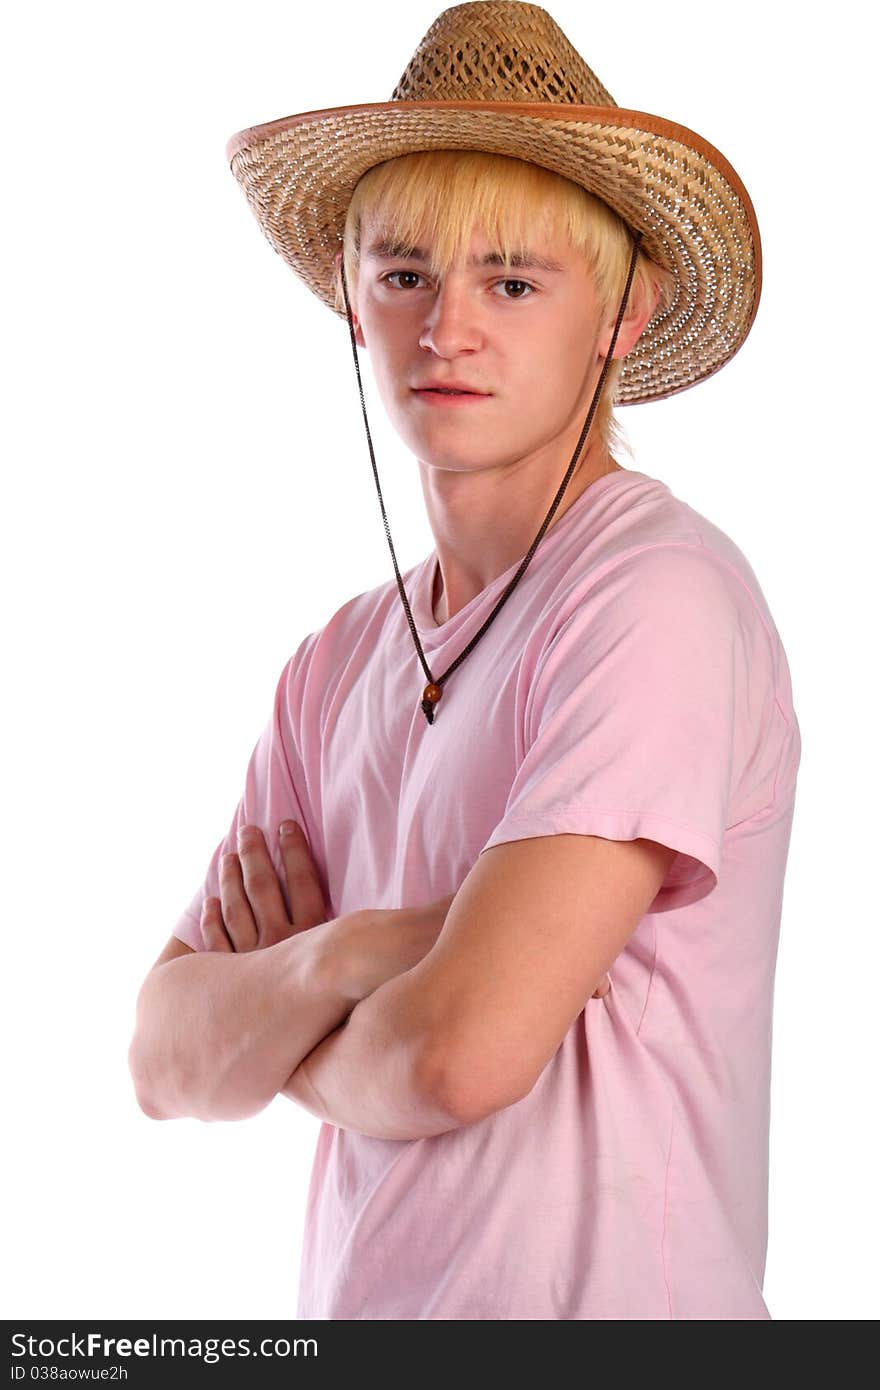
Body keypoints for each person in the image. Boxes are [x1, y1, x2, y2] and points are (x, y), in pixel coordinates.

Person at [128, 1, 801, 1320]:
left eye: (511, 279)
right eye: (403, 275)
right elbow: (162, 1057)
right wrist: (352, 953)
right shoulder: (331, 665)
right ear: (350, 301)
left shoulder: (654, 595)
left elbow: (459, 1054)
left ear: (621, 311)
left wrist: (279, 1035)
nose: (448, 328)